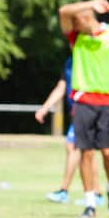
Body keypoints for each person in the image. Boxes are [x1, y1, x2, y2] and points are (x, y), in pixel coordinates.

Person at [57, 0, 109, 218]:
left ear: (86, 17)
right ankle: (90, 203)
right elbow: (63, 11)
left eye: (76, 19)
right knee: (86, 152)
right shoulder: (76, 37)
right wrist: (90, 3)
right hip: (82, 101)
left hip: (108, 102)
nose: (72, 24)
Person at [35, 57, 79, 203]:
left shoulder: (89, 58)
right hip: (77, 113)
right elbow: (61, 87)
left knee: (74, 147)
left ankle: (65, 191)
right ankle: (96, 194)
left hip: (87, 110)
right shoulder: (69, 62)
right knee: (85, 152)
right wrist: (45, 108)